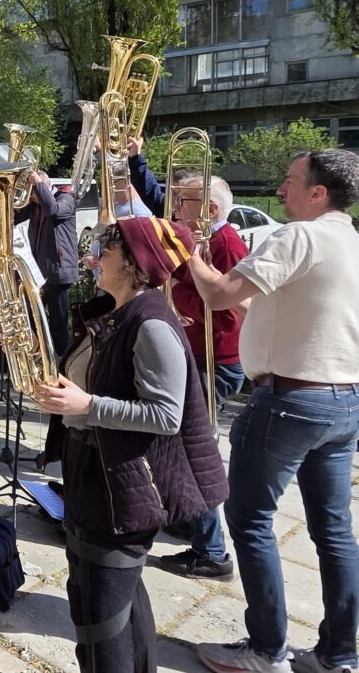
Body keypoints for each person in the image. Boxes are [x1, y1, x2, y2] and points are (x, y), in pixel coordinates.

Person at [190, 150, 359, 673]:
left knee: (249, 520)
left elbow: (217, 294)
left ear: (318, 193)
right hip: (346, 400)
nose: (280, 191)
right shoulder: (358, 247)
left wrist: (188, 253)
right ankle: (337, 656)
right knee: (335, 530)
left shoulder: (299, 236)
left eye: (291, 181)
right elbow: (279, 308)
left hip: (290, 402)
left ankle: (265, 650)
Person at [33, 216, 227, 673]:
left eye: (108, 252)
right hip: (93, 471)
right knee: (98, 598)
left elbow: (165, 416)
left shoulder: (152, 323)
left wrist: (86, 404)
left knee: (103, 617)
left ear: (136, 264)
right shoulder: (114, 311)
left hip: (121, 487)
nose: (96, 258)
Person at [145, 171, 248, 582]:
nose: (173, 209)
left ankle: (212, 551)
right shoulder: (207, 241)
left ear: (210, 210)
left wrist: (172, 285)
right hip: (197, 358)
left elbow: (225, 314)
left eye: (182, 203)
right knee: (180, 449)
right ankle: (191, 520)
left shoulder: (226, 245)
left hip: (215, 364)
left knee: (193, 455)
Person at [16, 170, 80, 357]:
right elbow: (14, 215)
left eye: (33, 192)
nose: (31, 197)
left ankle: (61, 363)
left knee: (58, 323)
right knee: (31, 315)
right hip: (40, 273)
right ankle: (42, 354)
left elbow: (53, 211)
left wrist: (38, 184)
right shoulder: (36, 204)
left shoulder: (66, 198)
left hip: (59, 272)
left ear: (44, 185)